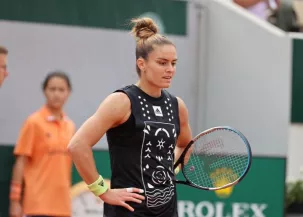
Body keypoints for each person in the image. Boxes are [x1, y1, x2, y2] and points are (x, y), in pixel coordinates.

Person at [67, 17, 193, 217]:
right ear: (141, 64)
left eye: (173, 63)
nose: (170, 69)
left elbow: (185, 144)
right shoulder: (121, 101)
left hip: (168, 211)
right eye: (162, 63)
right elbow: (77, 145)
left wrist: (170, 166)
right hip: (128, 212)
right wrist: (103, 191)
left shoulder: (177, 106)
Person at [9, 72, 75, 217]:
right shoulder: (33, 122)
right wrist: (15, 200)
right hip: (36, 205)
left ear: (68, 92)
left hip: (63, 207)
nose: (56, 94)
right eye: (52, 89)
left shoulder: (70, 126)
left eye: (61, 90)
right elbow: (21, 162)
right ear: (45, 91)